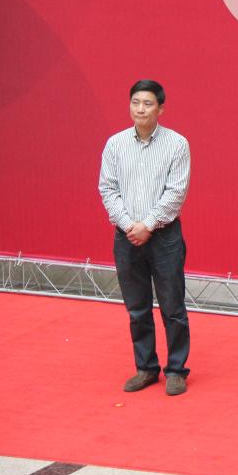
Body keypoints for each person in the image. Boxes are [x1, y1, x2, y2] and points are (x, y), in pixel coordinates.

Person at [98, 79, 192, 396]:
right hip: (126, 237)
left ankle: (176, 370)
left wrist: (148, 225)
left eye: (148, 103)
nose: (140, 109)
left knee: (172, 306)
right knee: (137, 307)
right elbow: (107, 189)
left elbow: (175, 193)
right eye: (135, 102)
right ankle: (146, 368)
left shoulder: (177, 144)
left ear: (160, 109)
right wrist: (129, 225)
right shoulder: (115, 144)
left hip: (164, 237)